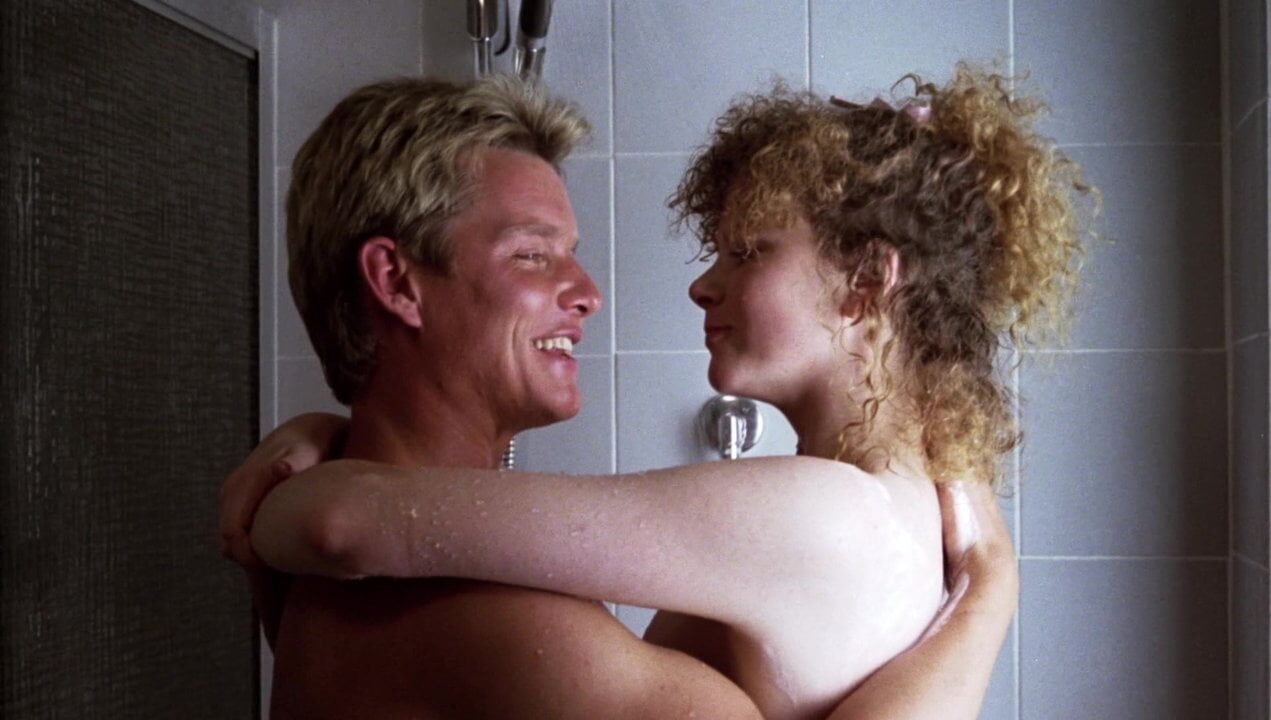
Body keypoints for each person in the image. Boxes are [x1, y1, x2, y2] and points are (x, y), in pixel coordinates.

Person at [222, 65, 1085, 719]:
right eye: (534, 254)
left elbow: (345, 527)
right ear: (396, 284)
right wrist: (987, 593)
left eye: (747, 252)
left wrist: (292, 487)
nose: (588, 292)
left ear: (867, 283)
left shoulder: (825, 513)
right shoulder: (506, 631)